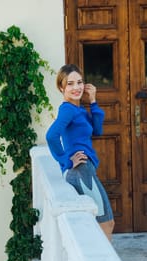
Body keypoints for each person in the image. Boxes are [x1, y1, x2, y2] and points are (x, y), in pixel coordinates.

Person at [46, 64, 115, 240]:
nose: (76, 87)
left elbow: (97, 130)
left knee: (98, 222)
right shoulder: (68, 109)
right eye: (70, 84)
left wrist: (93, 101)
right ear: (61, 87)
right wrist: (67, 161)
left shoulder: (78, 109)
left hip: (86, 170)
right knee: (106, 223)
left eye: (79, 82)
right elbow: (51, 136)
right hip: (81, 170)